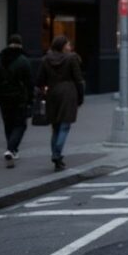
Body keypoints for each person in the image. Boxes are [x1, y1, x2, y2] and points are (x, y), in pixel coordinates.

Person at [36, 35, 84, 171]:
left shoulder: (45, 59)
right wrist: (80, 97)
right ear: (62, 46)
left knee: (55, 127)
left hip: (52, 93)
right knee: (65, 126)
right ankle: (57, 154)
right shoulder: (71, 58)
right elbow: (78, 79)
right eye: (68, 45)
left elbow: (39, 80)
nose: (70, 47)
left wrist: (44, 91)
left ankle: (56, 156)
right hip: (68, 93)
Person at [0, 34, 34, 168]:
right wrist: (31, 99)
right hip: (19, 97)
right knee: (20, 125)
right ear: (20, 45)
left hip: (3, 97)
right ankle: (11, 149)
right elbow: (29, 82)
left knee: (8, 124)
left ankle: (12, 149)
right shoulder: (23, 60)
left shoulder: (0, 58)